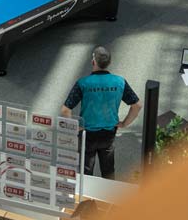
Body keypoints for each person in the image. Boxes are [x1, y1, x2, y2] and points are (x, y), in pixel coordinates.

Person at [60, 46, 142, 179]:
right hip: (109, 133)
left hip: (87, 134)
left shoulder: (83, 83)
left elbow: (65, 110)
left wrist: (75, 127)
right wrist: (124, 123)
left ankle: (87, 192)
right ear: (109, 63)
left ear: (93, 61)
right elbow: (137, 105)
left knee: (86, 172)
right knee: (108, 171)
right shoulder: (119, 82)